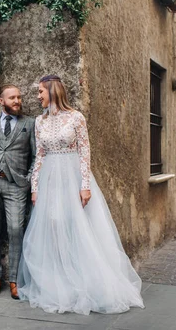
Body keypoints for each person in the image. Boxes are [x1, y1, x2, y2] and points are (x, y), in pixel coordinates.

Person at [17, 75, 145, 315]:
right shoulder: (39, 121)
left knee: (78, 226)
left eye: (41, 92)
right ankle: (60, 281)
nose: (38, 96)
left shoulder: (76, 118)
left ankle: (85, 280)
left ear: (53, 91)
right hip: (49, 180)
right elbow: (40, 156)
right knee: (53, 228)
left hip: (73, 177)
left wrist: (84, 185)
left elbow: (85, 152)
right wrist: (35, 187)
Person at [0, 85, 36, 299]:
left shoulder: (29, 124)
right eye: (12, 97)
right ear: (1, 100)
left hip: (16, 185)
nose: (17, 101)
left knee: (15, 230)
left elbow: (36, 156)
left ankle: (14, 279)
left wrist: (28, 180)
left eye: (19, 97)